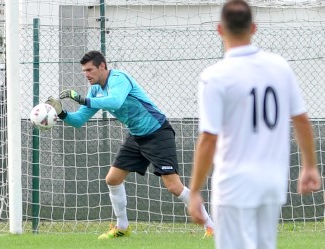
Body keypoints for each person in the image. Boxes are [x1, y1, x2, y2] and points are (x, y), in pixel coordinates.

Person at [188, 1, 321, 249]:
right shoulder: (280, 67)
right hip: (272, 181)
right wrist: (310, 166)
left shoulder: (215, 76)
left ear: (219, 29)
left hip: (234, 183)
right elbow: (301, 119)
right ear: (253, 28)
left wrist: (195, 190)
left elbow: (209, 138)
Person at [46, 50, 214, 239]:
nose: (86, 75)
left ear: (102, 66)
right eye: (84, 71)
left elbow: (115, 101)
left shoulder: (119, 78)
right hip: (136, 136)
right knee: (112, 179)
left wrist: (81, 99)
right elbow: (78, 121)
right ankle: (122, 227)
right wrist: (61, 113)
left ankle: (211, 226)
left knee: (174, 187)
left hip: (158, 132)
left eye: (90, 70)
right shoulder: (95, 90)